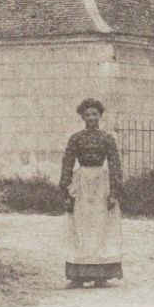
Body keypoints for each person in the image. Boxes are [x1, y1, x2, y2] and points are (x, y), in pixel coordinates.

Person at [58, 97, 124, 288]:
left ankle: (101, 274)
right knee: (81, 227)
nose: (91, 117)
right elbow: (67, 163)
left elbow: (115, 165)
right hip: (82, 185)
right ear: (82, 117)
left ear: (100, 116)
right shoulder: (76, 139)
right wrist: (67, 191)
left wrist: (113, 192)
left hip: (101, 184)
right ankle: (78, 275)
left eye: (95, 114)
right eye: (88, 114)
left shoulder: (107, 138)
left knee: (102, 227)